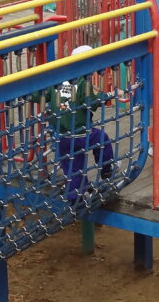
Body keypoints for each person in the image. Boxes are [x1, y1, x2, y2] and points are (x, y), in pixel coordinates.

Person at [41, 44, 116, 201]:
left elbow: (41, 95)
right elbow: (91, 103)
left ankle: (75, 198)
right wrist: (109, 95)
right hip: (80, 132)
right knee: (102, 139)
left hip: (60, 134)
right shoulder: (83, 82)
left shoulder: (57, 79)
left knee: (73, 167)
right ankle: (107, 169)